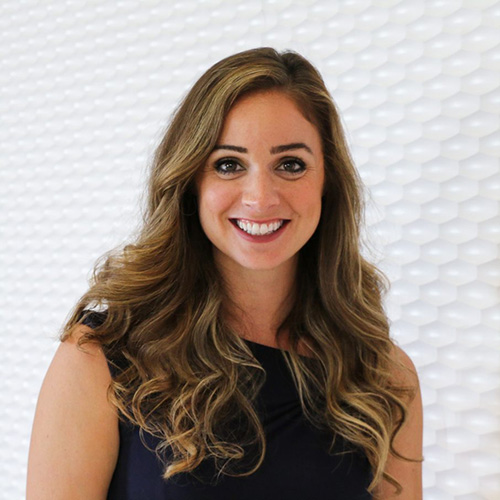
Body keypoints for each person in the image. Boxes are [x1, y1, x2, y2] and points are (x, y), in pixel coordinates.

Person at [27, 47, 423, 499]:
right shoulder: (103, 356)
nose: (260, 197)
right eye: (228, 165)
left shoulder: (383, 373)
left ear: (327, 181)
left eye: (290, 164)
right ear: (191, 181)